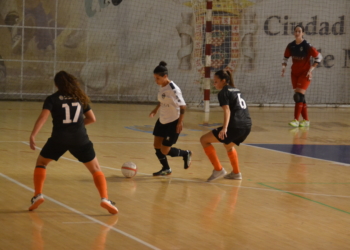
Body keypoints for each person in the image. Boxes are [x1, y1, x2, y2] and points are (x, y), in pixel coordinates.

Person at [28, 71, 118, 214]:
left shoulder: (52, 98)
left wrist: (33, 135)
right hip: (80, 139)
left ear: (57, 84)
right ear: (72, 82)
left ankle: (38, 195)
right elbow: (92, 119)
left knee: (42, 163)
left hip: (59, 139)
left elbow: (43, 117)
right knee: (96, 169)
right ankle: (105, 199)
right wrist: (78, 126)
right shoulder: (80, 97)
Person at [200, 70, 252, 182]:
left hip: (236, 126)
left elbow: (227, 110)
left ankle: (218, 169)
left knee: (204, 140)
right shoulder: (236, 90)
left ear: (223, 81)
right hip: (247, 126)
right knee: (228, 145)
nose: (214, 84)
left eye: (216, 81)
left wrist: (225, 128)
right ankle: (236, 173)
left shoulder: (224, 92)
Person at [149, 61, 192, 176]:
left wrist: (179, 123)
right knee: (156, 145)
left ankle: (185, 153)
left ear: (165, 76)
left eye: (157, 78)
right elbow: (163, 100)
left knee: (165, 150)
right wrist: (156, 109)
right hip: (162, 120)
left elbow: (183, 106)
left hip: (172, 122)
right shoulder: (162, 86)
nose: (156, 81)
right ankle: (166, 168)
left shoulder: (174, 89)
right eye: (155, 78)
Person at [281, 25, 322, 128]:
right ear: (294, 33)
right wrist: (283, 67)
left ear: (303, 33)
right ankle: (306, 120)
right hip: (294, 73)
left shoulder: (307, 46)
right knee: (300, 97)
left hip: (305, 74)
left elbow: (319, 57)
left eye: (299, 31)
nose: (297, 33)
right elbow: (285, 58)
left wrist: (311, 69)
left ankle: (296, 120)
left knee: (298, 96)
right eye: (296, 31)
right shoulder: (291, 45)